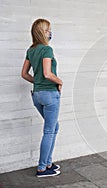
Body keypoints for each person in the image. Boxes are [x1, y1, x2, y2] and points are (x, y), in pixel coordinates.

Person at [21, 18, 62, 177]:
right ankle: (42, 168)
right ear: (41, 32)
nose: (49, 33)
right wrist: (60, 81)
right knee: (49, 130)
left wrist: (37, 82)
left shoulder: (31, 50)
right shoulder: (46, 49)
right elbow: (47, 74)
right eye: (47, 30)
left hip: (36, 94)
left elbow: (24, 74)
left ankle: (48, 162)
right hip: (49, 94)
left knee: (53, 128)